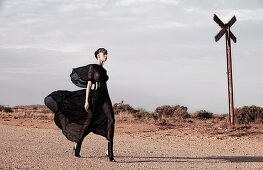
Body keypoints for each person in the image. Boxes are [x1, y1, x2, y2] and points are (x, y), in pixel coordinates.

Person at [44, 48, 115, 162]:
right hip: (95, 97)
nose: (106, 56)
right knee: (88, 122)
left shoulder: (104, 70)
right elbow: (89, 84)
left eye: (107, 54)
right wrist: (87, 101)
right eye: (104, 54)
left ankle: (110, 153)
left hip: (105, 97)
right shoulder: (93, 67)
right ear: (98, 55)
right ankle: (78, 146)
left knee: (111, 120)